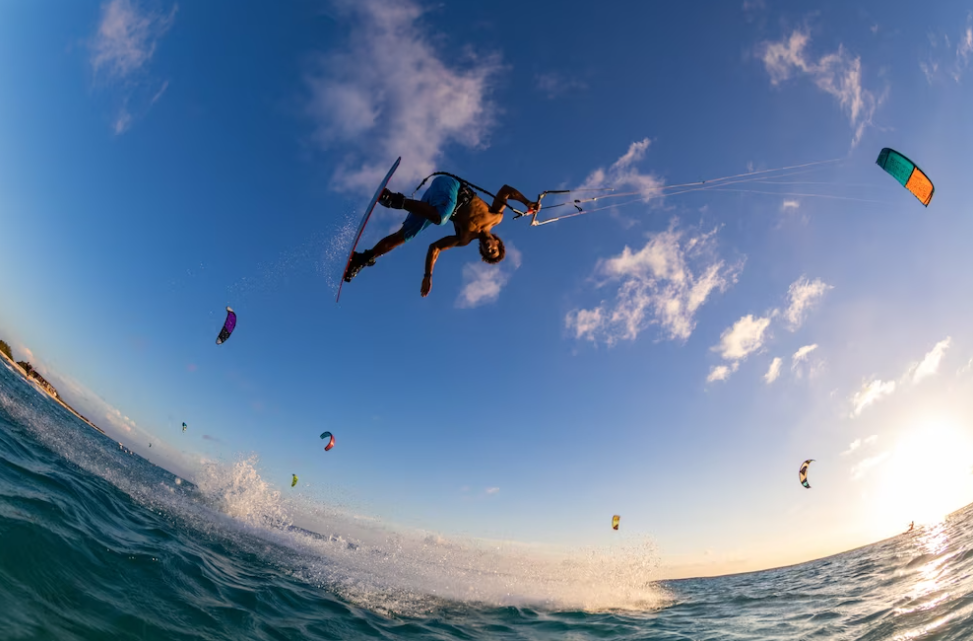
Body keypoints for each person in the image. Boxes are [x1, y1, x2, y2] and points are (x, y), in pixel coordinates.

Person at [343, 175, 538, 297]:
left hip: (436, 204)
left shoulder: (464, 239)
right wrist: (527, 202)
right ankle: (393, 199)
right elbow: (505, 190)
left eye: (489, 252)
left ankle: (363, 258)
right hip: (451, 187)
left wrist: (428, 276)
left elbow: (434, 248)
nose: (490, 248)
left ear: (482, 251)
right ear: (498, 242)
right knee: (441, 218)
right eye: (494, 249)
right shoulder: (496, 217)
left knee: (404, 236)